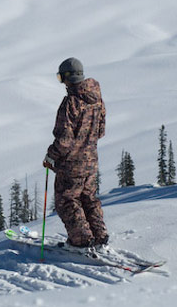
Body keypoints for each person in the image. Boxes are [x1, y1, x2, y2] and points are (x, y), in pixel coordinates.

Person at [43, 57, 109, 248]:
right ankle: (99, 234)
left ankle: (82, 241)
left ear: (67, 78)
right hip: (91, 162)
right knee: (88, 198)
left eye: (60, 77)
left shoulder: (71, 103)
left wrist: (50, 156)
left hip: (72, 164)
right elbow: (101, 131)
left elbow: (64, 140)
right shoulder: (96, 99)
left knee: (67, 201)